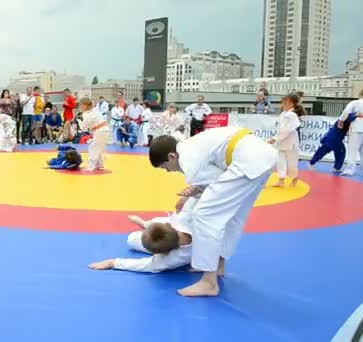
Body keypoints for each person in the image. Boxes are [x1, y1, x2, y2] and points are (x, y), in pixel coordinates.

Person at [149, 126, 277, 297]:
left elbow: (215, 183)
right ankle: (219, 265)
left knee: (204, 215)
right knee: (233, 215)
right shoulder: (190, 146)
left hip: (247, 161)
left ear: (171, 156)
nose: (169, 171)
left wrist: (193, 192)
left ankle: (208, 282)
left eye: (166, 167)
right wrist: (192, 193)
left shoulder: (188, 161)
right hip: (261, 157)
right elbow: (218, 180)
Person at [89, 197, 197, 273]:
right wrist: (186, 197)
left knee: (131, 239)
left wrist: (113, 263)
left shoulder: (172, 260)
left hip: (192, 251)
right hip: (180, 230)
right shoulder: (185, 217)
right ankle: (145, 225)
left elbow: (144, 265)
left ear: (163, 254)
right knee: (132, 239)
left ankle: (145, 225)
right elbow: (199, 192)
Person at [267, 94, 304, 187]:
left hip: (291, 142)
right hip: (282, 142)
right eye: (282, 102)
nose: (282, 104)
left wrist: (274, 139)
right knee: (280, 161)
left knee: (292, 163)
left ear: (291, 104)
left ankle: (295, 178)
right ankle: (281, 179)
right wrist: (275, 138)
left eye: (285, 102)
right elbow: (281, 129)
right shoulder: (283, 114)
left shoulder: (292, 115)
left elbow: (287, 130)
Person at [339, 89, 363, 177]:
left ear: (359, 94)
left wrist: (341, 120)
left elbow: (346, 111)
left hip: (357, 126)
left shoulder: (355, 102)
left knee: (353, 150)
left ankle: (350, 170)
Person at [78, 97, 110, 171]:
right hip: (104, 130)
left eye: (81, 105)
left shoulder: (86, 113)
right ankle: (99, 164)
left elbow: (84, 126)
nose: (80, 107)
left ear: (85, 105)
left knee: (93, 148)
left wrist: (79, 121)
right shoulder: (94, 110)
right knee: (99, 148)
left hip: (100, 131)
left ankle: (91, 167)